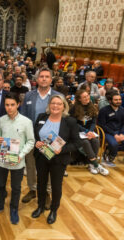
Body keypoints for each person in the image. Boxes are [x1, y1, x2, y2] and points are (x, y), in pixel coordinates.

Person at [32, 95, 80, 224]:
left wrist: (62, 150)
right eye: (53, 103)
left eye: (59, 104)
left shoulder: (70, 121)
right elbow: (35, 135)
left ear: (64, 106)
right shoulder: (41, 117)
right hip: (41, 156)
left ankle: (54, 210)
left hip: (59, 159)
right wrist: (36, 142)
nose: (55, 106)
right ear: (49, 105)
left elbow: (77, 143)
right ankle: (40, 206)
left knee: (56, 186)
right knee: (41, 183)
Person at [0, 93, 34, 224]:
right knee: (0, 184)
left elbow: (31, 141)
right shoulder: (1, 120)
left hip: (17, 161)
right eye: (7, 105)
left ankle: (14, 208)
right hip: (1, 160)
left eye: (12, 105)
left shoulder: (26, 122)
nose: (9, 108)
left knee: (16, 187)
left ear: (18, 105)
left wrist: (21, 155)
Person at [20, 68, 62, 208]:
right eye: (41, 77)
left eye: (47, 77)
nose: (44, 79)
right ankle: (32, 189)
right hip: (31, 138)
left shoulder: (58, 96)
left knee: (48, 166)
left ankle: (47, 192)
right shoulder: (29, 96)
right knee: (30, 165)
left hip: (50, 140)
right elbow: (23, 116)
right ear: (36, 79)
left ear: (51, 79)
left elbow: (64, 117)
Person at [70, 89, 109, 175]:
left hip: (89, 132)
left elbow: (94, 122)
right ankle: (96, 164)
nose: (87, 98)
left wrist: (91, 131)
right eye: (84, 97)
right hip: (77, 132)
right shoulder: (73, 108)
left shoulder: (92, 106)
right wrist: (86, 131)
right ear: (79, 99)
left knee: (95, 140)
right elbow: (74, 124)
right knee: (85, 142)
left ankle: (91, 164)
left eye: (87, 96)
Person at [98, 91, 124, 167]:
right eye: (116, 100)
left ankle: (108, 152)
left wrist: (122, 134)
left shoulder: (122, 110)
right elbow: (102, 125)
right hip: (107, 132)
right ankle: (110, 157)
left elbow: (123, 124)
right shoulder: (104, 110)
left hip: (119, 131)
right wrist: (115, 135)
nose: (118, 101)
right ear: (110, 101)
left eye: (119, 99)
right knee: (114, 144)